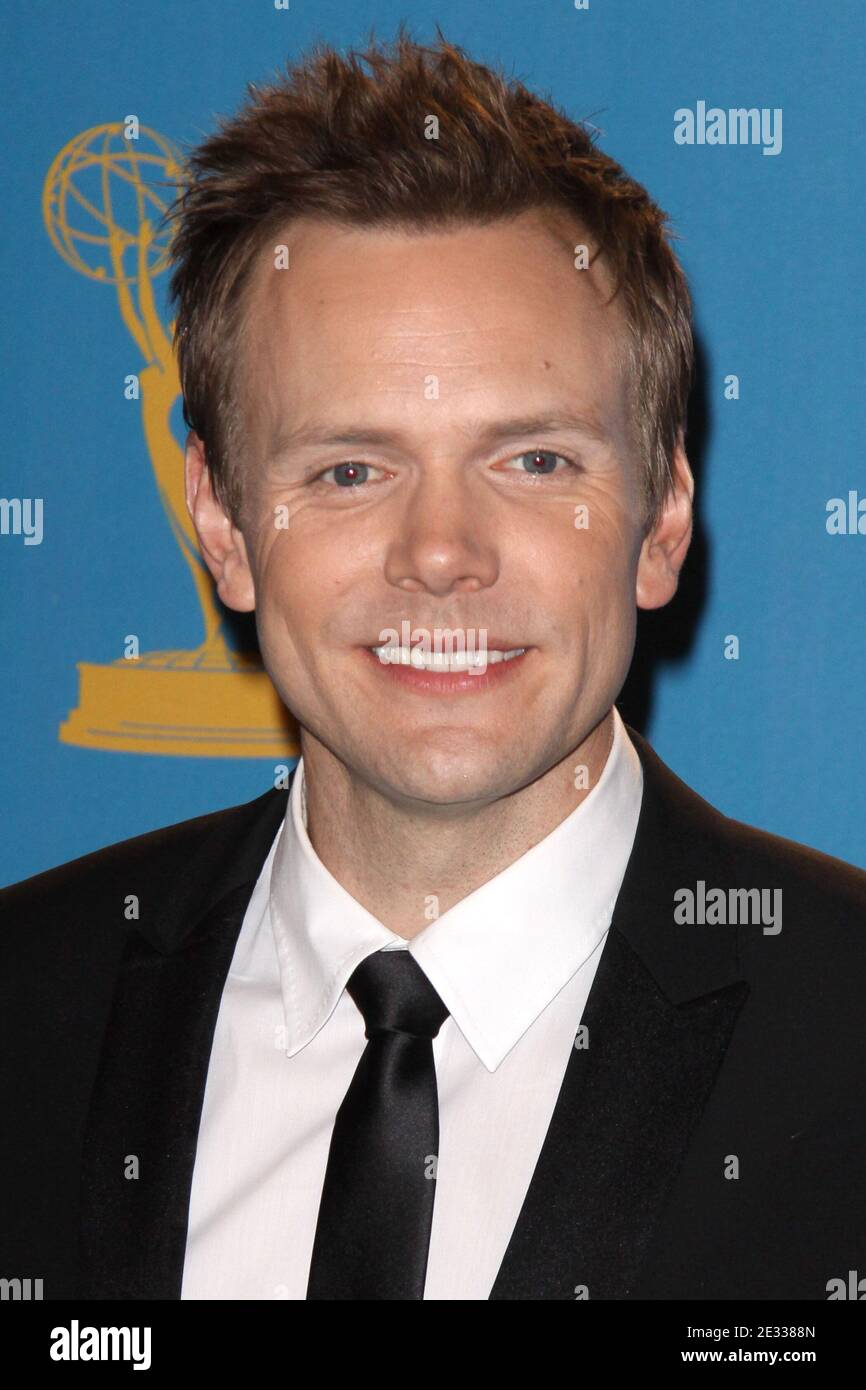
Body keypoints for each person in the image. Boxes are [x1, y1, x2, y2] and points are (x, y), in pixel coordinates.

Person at [1, 30, 864, 1302]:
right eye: (351, 468)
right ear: (225, 524)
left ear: (663, 514)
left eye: (533, 461)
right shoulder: (28, 1008)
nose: (442, 554)